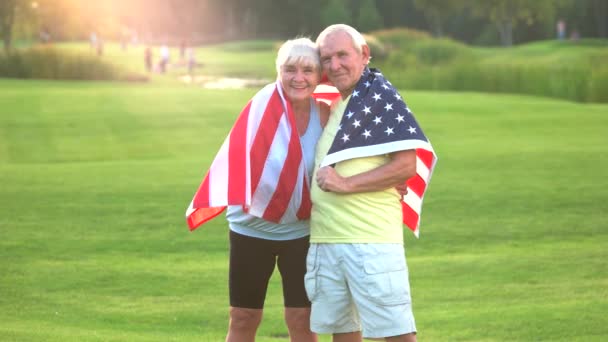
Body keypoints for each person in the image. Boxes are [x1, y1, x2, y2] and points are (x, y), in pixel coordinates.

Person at [186, 37, 330, 342]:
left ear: (320, 76)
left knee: (302, 319)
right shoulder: (259, 107)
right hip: (251, 228)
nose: (298, 78)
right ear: (278, 71)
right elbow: (234, 159)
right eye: (290, 69)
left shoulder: (327, 115)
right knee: (243, 317)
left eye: (308, 70)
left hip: (301, 232)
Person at [305, 24, 436, 342]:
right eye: (326, 59)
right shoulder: (342, 103)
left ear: (364, 55)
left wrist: (345, 184)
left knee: (396, 335)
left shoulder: (379, 97)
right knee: (344, 333)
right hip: (328, 240)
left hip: (370, 242)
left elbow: (406, 165)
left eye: (342, 55)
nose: (334, 65)